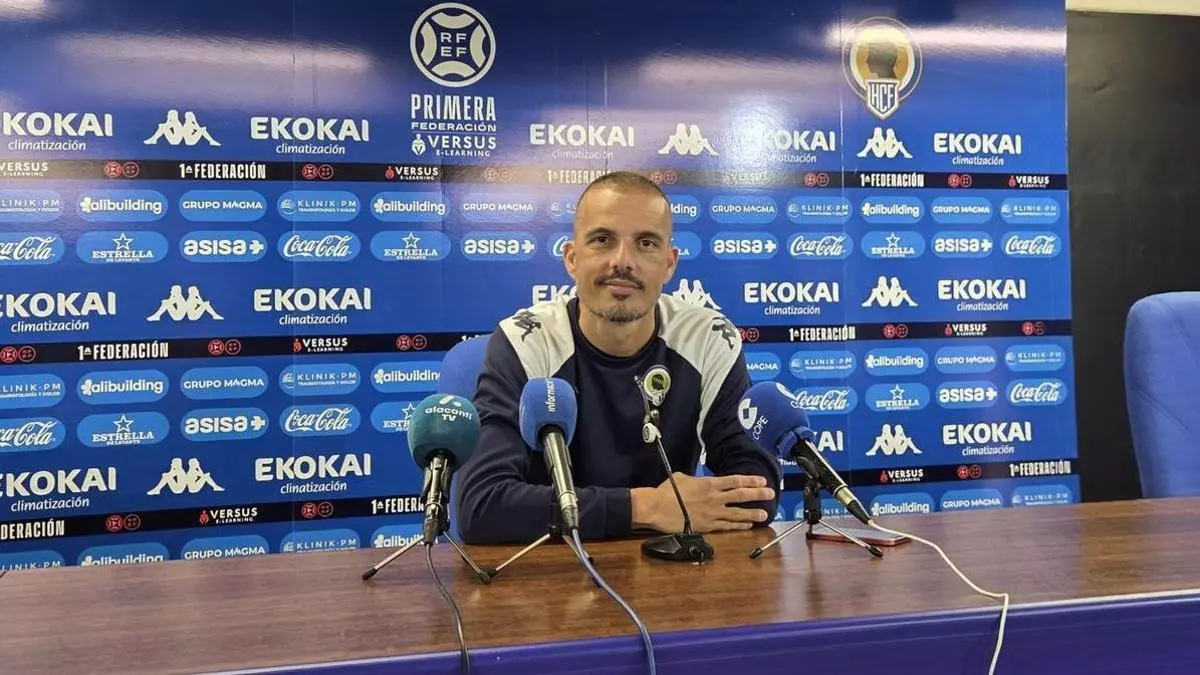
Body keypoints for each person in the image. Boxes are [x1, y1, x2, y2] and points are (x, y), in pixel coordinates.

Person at [454, 170, 781, 544]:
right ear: (572, 258)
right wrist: (648, 508)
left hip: (670, 565)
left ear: (669, 264)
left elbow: (758, 494)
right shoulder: (526, 341)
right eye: (602, 240)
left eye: (646, 243)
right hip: (554, 566)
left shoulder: (708, 339)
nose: (623, 261)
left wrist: (679, 507)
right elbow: (482, 507)